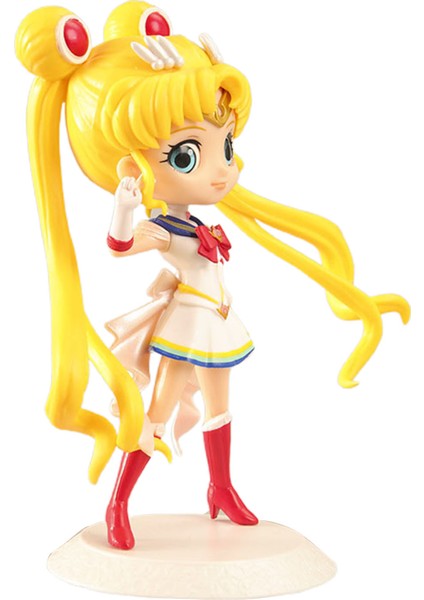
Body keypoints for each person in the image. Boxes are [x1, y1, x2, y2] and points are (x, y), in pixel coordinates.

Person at [16, 1, 410, 550]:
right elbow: (121, 246)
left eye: (225, 145)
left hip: (219, 321)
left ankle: (220, 487)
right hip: (187, 328)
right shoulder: (164, 227)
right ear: (132, 165)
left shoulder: (198, 222)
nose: (222, 170)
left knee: (221, 409)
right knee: (154, 416)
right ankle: (119, 502)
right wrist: (124, 208)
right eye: (186, 156)